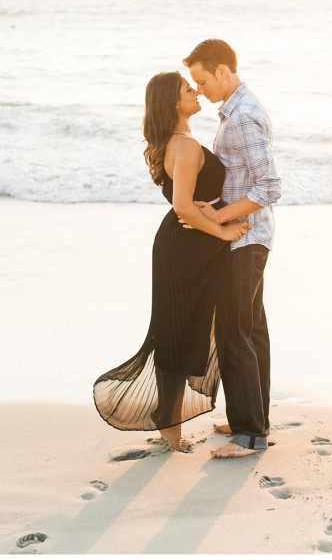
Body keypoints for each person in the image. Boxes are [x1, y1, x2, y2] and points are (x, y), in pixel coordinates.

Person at [93, 71, 249, 452]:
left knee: (181, 331)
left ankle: (170, 422)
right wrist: (223, 231)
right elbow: (183, 207)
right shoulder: (184, 145)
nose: (195, 91)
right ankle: (170, 426)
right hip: (186, 248)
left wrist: (213, 217)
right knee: (178, 333)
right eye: (186, 88)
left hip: (187, 244)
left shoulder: (176, 142)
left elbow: (190, 203)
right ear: (171, 102)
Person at [182, 39, 281, 458]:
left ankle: (249, 435)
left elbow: (270, 186)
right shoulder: (237, 111)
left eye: (202, 79)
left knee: (234, 332)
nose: (199, 89)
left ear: (222, 70)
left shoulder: (242, 117)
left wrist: (219, 218)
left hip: (246, 238)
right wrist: (219, 209)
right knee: (251, 330)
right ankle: (252, 419)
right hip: (249, 236)